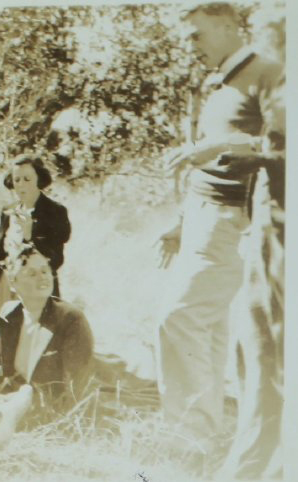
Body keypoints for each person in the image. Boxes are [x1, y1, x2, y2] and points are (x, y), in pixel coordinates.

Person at [155, 1, 282, 461]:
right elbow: (208, 166)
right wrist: (182, 222)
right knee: (204, 326)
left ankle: (189, 436)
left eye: (198, 35)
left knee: (179, 317)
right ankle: (201, 437)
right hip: (203, 217)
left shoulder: (269, 73)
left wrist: (220, 144)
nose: (192, 46)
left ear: (228, 25)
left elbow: (282, 143)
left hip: (235, 221)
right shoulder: (220, 81)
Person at [215, 7, 286, 479]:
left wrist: (244, 151)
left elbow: (282, 151)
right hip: (265, 231)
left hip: (281, 236)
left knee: (269, 358)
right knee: (253, 354)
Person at [0, 246, 94, 428]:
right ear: (13, 282)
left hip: (44, 404)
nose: (42, 277)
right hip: (11, 394)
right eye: (32, 273)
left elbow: (78, 381)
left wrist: (63, 423)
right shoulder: (9, 312)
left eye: (45, 271)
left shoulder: (70, 320)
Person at [0, 154, 71, 325]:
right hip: (5, 286)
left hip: (35, 287)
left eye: (27, 179)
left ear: (39, 180)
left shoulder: (55, 212)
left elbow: (56, 260)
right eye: (17, 179)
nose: (21, 185)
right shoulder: (8, 211)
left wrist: (30, 235)